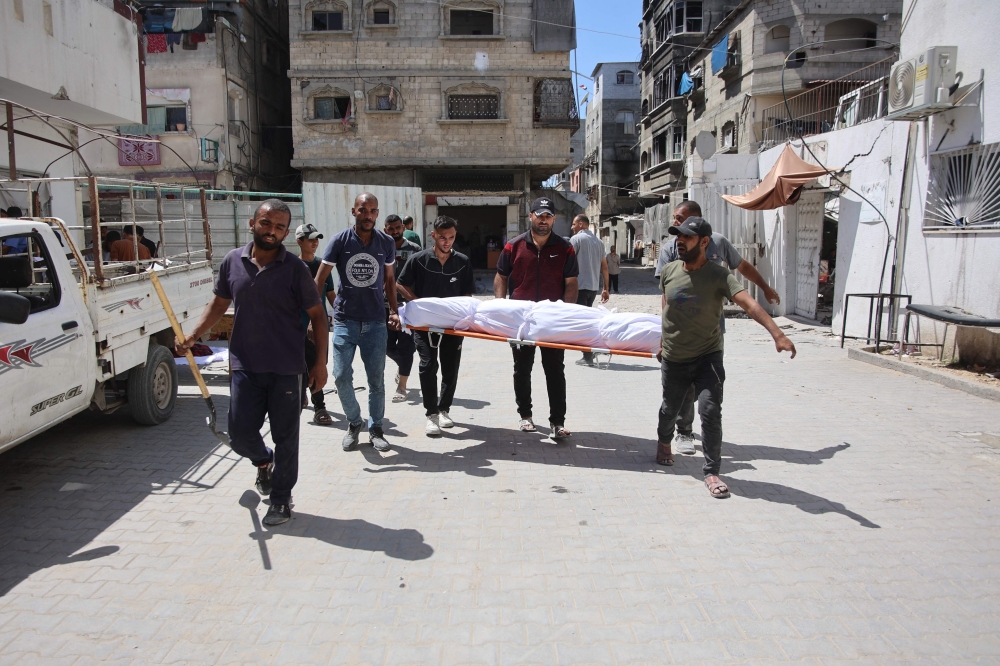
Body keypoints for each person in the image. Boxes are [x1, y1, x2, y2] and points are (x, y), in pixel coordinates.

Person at [177, 199, 327, 526]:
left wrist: (319, 364)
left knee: (287, 437)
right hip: (245, 363)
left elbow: (318, 317)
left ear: (287, 232)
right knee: (240, 433)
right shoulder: (233, 261)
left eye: (279, 227)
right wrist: (194, 335)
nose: (271, 231)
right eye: (266, 223)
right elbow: (219, 304)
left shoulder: (295, 270)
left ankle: (281, 499)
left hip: (287, 368)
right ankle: (263, 461)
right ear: (252, 223)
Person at [656, 216, 795, 498]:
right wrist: (661, 340)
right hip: (674, 356)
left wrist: (777, 333)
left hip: (708, 356)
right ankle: (663, 442)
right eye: (677, 237)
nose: (679, 241)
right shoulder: (670, 270)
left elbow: (749, 304)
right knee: (670, 408)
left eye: (686, 237)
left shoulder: (719, 276)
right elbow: (666, 304)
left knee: (709, 412)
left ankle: (711, 471)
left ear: (704, 242)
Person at [314, 193, 400, 453]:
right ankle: (354, 423)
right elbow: (319, 280)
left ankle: (375, 429)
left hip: (375, 321)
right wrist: (311, 315)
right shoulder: (339, 241)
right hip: (344, 320)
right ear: (354, 211)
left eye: (373, 211)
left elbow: (389, 281)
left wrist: (394, 311)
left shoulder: (386, 242)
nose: (368, 215)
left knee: (376, 381)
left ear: (377, 214)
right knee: (341, 376)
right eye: (363, 210)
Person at [495, 197, 579, 439]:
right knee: (522, 369)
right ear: (530, 216)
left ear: (554, 219)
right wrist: (502, 307)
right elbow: (501, 276)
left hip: (552, 320)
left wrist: (566, 312)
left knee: (555, 370)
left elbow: (571, 283)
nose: (544, 219)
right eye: (539, 215)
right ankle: (525, 416)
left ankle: (557, 423)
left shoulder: (565, 248)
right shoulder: (514, 246)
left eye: (548, 215)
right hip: (521, 320)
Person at [397, 216, 476, 436]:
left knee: (450, 369)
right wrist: (418, 303)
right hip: (424, 324)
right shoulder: (418, 259)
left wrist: (464, 317)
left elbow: (468, 293)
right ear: (433, 235)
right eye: (442, 237)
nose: (447, 241)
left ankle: (444, 410)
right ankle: (431, 414)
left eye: (451, 237)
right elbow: (400, 283)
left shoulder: (462, 261)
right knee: (428, 364)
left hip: (453, 325)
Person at [296, 223, 336, 426]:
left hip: (318, 326)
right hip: (296, 326)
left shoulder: (323, 266)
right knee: (300, 364)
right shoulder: (291, 266)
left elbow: (331, 295)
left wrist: (340, 314)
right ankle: (318, 405)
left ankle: (316, 404)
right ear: (299, 242)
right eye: (310, 239)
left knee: (318, 364)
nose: (314, 243)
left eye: (316, 239)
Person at [383, 214, 421, 402]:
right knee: (385, 346)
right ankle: (403, 365)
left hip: (407, 306)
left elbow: (422, 276)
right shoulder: (380, 248)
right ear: (385, 230)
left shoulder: (414, 250)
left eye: (398, 227)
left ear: (403, 228)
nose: (395, 231)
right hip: (384, 306)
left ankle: (402, 387)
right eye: (390, 228)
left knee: (406, 348)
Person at [569, 214, 610, 366]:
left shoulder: (576, 240)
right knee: (587, 321)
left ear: (581, 224)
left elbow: (568, 262)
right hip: (593, 287)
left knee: (582, 323)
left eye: (574, 224)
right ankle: (590, 352)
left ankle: (588, 355)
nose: (572, 227)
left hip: (579, 287)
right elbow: (604, 267)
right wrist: (605, 288)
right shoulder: (599, 242)